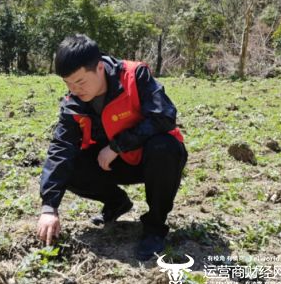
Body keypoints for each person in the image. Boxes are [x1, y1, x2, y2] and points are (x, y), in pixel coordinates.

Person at [36, 34, 187, 261]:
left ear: (99, 68)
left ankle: (155, 226)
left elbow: (164, 116)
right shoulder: (73, 103)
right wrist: (49, 207)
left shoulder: (135, 76)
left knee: (164, 147)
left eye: (80, 82)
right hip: (111, 166)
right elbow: (61, 149)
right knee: (70, 163)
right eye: (68, 83)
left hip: (151, 161)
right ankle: (117, 203)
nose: (74, 89)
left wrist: (117, 146)